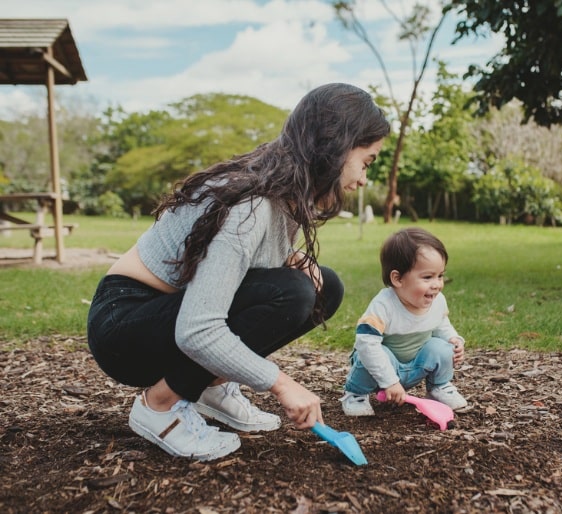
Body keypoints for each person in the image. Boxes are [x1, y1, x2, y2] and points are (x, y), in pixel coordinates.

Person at [86, 83, 390, 461]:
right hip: (123, 328)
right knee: (292, 293)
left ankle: (209, 387)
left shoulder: (283, 188)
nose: (364, 179)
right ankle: (159, 405)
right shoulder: (249, 205)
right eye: (367, 161)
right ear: (336, 146)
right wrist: (281, 384)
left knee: (324, 286)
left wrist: (294, 257)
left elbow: (245, 262)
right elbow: (197, 328)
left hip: (163, 315)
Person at [340, 227, 469, 417]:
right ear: (398, 278)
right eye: (427, 277)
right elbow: (366, 343)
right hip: (382, 368)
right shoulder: (384, 305)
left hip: (415, 364)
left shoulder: (436, 300)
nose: (437, 284)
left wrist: (454, 339)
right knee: (370, 353)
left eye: (440, 275)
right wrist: (389, 382)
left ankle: (438, 388)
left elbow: (441, 324)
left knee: (442, 347)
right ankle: (356, 393)